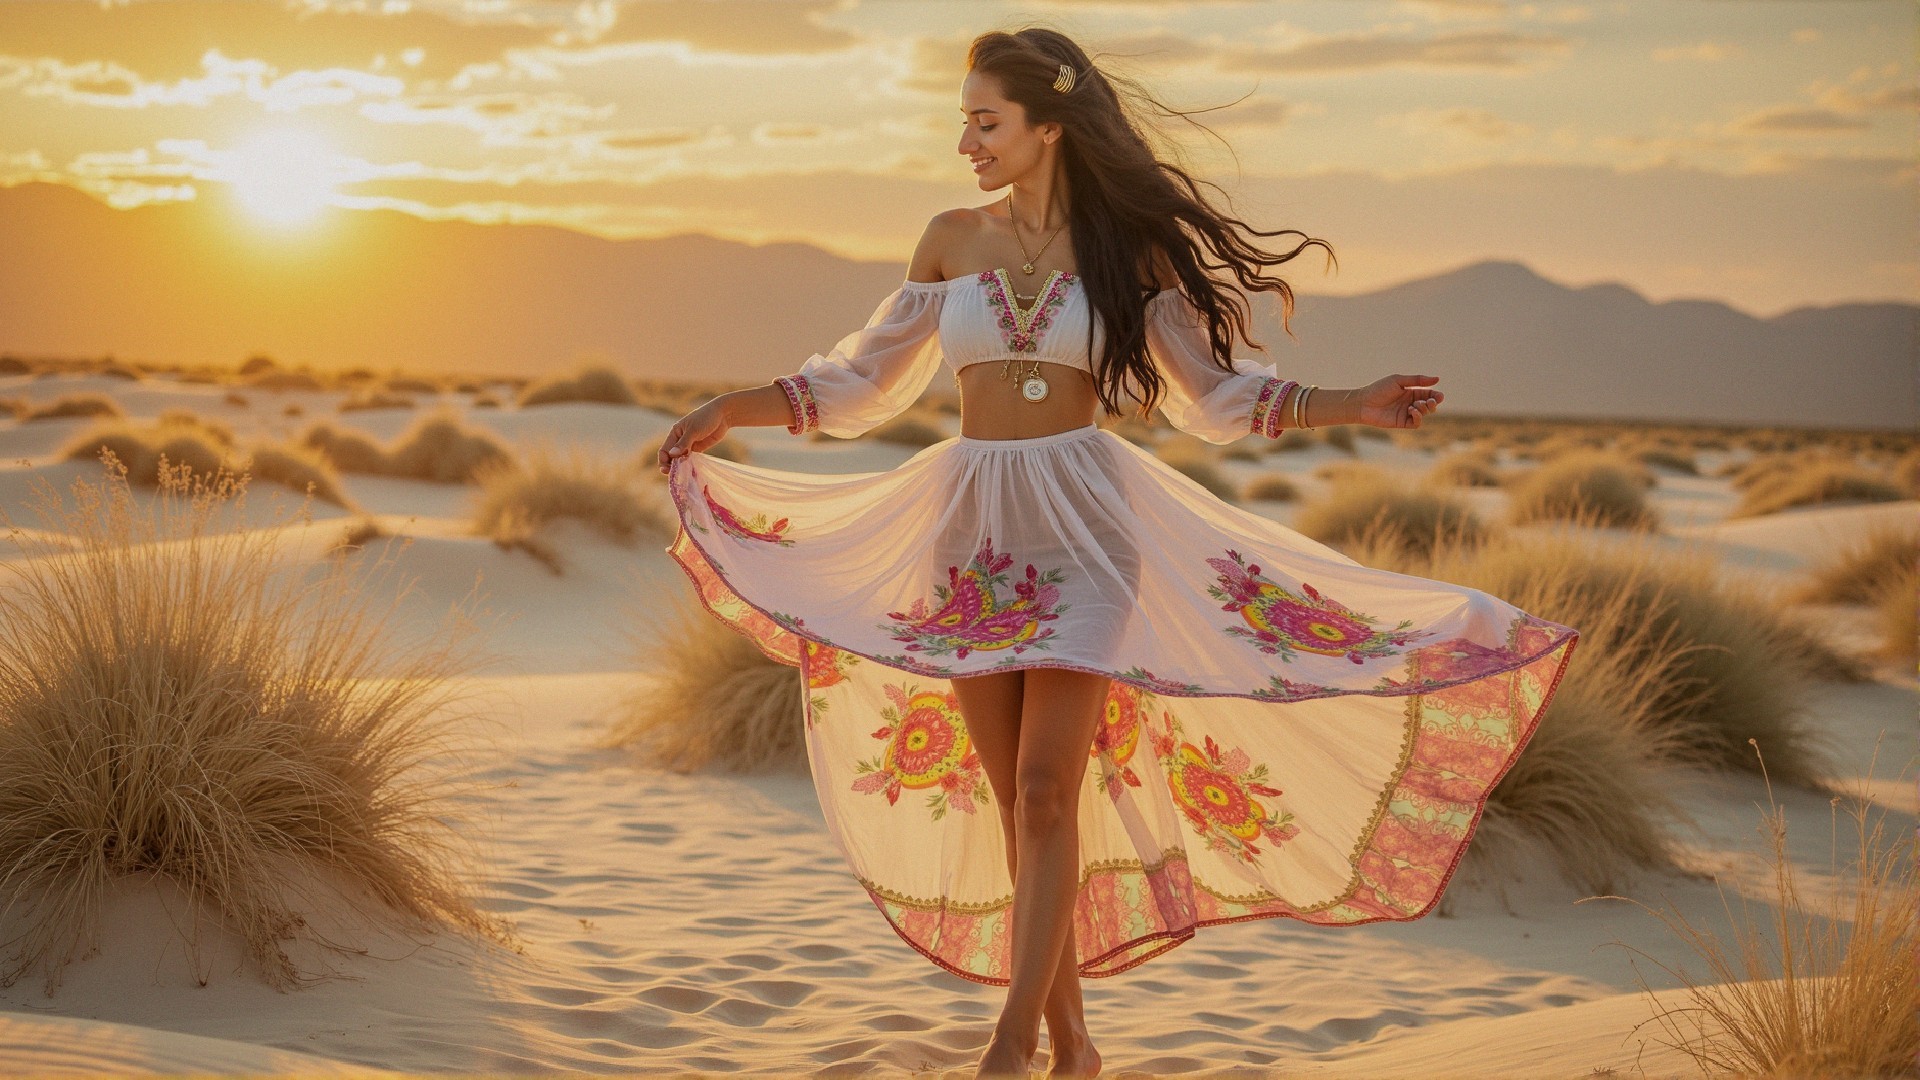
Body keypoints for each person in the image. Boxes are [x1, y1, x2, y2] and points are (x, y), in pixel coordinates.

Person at [654, 27, 1579, 1080]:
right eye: (963, 118)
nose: (966, 138)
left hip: (1090, 530)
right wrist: (728, 409)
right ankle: (1074, 1044)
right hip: (970, 543)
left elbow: (1218, 400)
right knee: (1014, 801)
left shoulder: (1126, 254)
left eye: (986, 119)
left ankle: (1009, 1047)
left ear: (1049, 127)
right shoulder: (949, 239)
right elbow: (864, 383)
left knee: (1050, 788)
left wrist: (1350, 402)